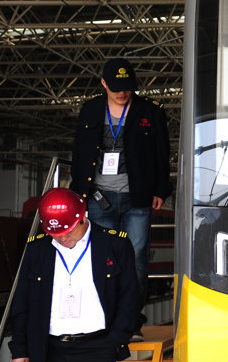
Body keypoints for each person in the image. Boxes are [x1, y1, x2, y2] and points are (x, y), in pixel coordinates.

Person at [9, 187, 139, 362]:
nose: (62, 238)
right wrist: (20, 349)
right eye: (55, 234)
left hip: (96, 349)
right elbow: (22, 301)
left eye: (68, 231)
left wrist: (115, 341)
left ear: (82, 217)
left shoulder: (114, 245)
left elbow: (129, 296)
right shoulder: (37, 250)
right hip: (47, 351)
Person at [70, 57, 171, 330]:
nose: (121, 92)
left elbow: (163, 153)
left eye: (126, 87)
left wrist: (162, 188)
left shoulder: (151, 111)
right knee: (102, 259)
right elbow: (79, 152)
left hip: (136, 198)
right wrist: (78, 189)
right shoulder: (90, 110)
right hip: (98, 197)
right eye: (115, 87)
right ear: (103, 83)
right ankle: (104, 317)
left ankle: (130, 320)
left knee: (136, 259)